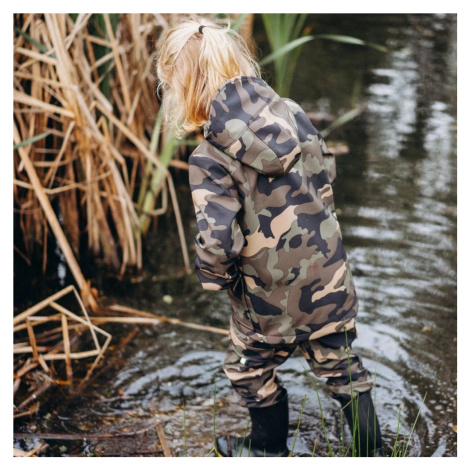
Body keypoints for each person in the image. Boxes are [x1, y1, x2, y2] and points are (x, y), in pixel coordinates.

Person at [156, 17, 383, 457]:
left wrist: (215, 280)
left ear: (183, 87)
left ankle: (267, 452)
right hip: (329, 277)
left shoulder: (210, 157)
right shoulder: (293, 112)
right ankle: (373, 456)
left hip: (266, 299)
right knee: (342, 368)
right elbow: (327, 174)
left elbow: (218, 242)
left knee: (248, 370)